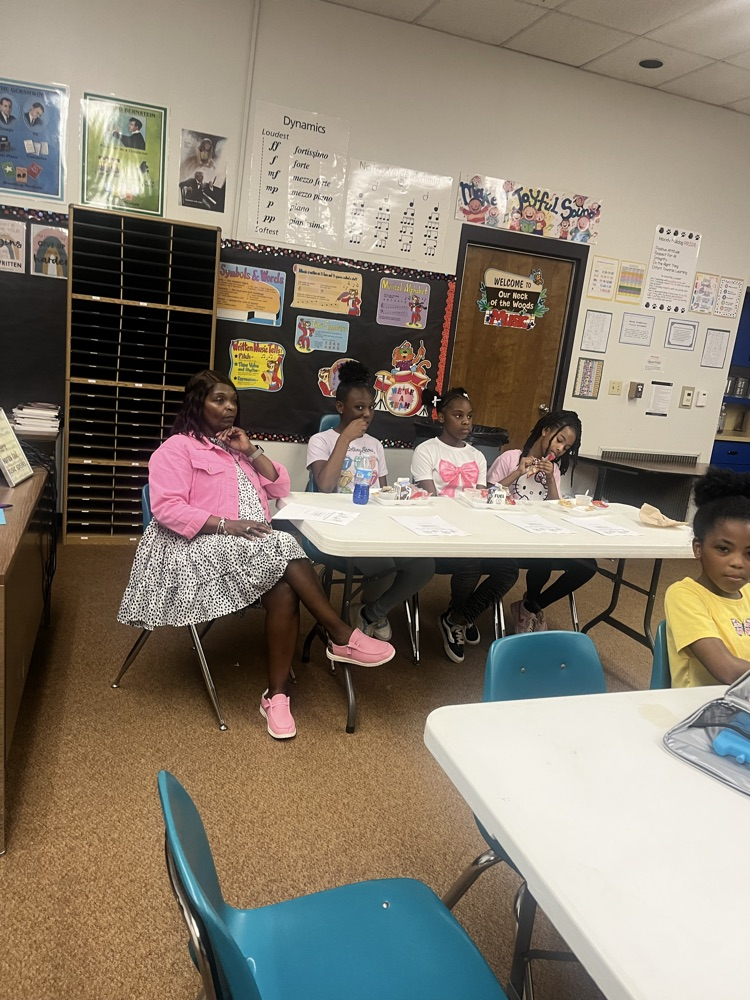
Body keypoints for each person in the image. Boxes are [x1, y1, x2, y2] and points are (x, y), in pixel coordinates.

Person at [118, 370, 394, 741]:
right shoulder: (177, 448)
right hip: (193, 549)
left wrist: (250, 450)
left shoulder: (238, 449)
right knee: (283, 546)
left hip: (247, 549)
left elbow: (281, 486)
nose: (229, 407)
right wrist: (225, 524)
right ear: (196, 403)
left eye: (233, 400)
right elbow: (166, 508)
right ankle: (340, 634)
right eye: (219, 399)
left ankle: (276, 697)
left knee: (284, 587)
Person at [306, 361, 434, 641]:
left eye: (370, 408)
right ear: (340, 407)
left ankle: (371, 612)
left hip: (376, 524)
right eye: (358, 408)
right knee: (383, 567)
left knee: (425, 564)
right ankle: (367, 614)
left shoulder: (375, 445)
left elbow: (382, 491)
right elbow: (326, 486)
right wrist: (346, 441)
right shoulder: (321, 440)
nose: (366, 414)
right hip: (341, 527)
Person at [410, 387, 518, 663]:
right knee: (470, 563)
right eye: (458, 415)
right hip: (439, 532)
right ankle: (457, 617)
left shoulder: (478, 457)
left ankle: (458, 617)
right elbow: (432, 502)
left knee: (508, 570)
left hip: (473, 530)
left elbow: (480, 500)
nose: (466, 422)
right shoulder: (426, 451)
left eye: (469, 416)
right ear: (441, 416)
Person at [488, 410, 596, 633]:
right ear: (545, 430)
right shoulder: (510, 458)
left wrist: (549, 478)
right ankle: (529, 609)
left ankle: (530, 606)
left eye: (566, 448)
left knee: (588, 566)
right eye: (559, 441)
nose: (559, 449)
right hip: (509, 534)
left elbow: (555, 508)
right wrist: (518, 472)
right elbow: (488, 496)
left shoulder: (553, 470)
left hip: (542, 534)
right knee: (543, 558)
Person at [665, 467, 750, 687]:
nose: (737, 562)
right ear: (698, 549)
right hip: (704, 712)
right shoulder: (684, 595)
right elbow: (726, 670)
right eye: (723, 549)